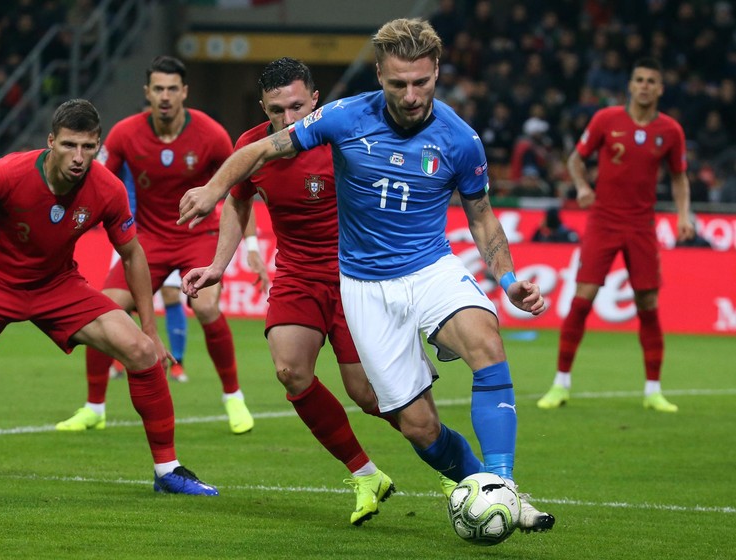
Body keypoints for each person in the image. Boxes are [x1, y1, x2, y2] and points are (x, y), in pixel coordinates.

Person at [179, 18, 555, 533]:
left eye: (421, 82)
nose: (411, 94)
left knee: (486, 344)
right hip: (363, 287)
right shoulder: (342, 119)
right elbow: (260, 149)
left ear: (437, 72)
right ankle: (460, 480)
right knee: (418, 425)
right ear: (378, 74)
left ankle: (505, 487)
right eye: (398, 82)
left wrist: (509, 280)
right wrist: (212, 190)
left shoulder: (460, 139)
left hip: (430, 267)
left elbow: (482, 215)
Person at [0, 99, 217, 495]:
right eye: (69, 145)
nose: (79, 157)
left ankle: (167, 470)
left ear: (98, 145)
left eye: (88, 147)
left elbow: (132, 253)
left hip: (56, 285)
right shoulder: (9, 172)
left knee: (139, 350)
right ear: (51, 141)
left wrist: (150, 329)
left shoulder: (107, 189)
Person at [184, 57, 400, 526]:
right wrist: (220, 265)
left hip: (356, 277)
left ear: (317, 100)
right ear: (264, 107)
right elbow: (237, 205)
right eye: (276, 110)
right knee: (290, 370)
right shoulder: (252, 147)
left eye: (297, 107)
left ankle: (452, 465)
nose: (288, 120)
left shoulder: (346, 135)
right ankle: (365, 474)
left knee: (367, 394)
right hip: (299, 275)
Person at [56, 56, 258, 435]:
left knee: (208, 306)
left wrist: (252, 248)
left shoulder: (211, 135)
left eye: (172, 89)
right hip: (148, 239)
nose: (165, 96)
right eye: (158, 89)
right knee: (103, 310)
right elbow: (96, 181)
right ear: (147, 92)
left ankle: (234, 398)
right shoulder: (124, 134)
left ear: (184, 92)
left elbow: (240, 192)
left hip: (199, 235)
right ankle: (94, 407)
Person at [537, 57, 694, 413]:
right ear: (630, 85)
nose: (644, 86)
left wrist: (685, 215)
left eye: (651, 81)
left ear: (660, 89)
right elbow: (577, 159)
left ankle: (653, 390)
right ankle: (560, 384)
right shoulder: (606, 120)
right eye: (639, 79)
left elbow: (679, 177)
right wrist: (581, 186)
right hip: (604, 221)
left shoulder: (670, 131)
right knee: (583, 297)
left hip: (642, 226)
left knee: (648, 305)